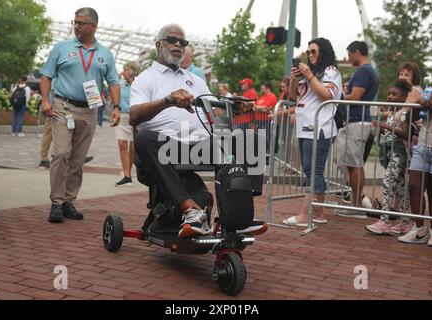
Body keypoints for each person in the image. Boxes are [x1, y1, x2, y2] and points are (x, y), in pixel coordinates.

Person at [129, 23, 267, 239]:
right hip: (166, 147)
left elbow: (216, 103)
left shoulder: (195, 80)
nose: (178, 45)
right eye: (172, 40)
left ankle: (239, 216)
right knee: (144, 138)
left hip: (199, 146)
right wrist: (168, 101)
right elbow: (134, 116)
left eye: (182, 42)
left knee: (250, 140)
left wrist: (235, 106)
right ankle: (190, 210)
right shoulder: (145, 79)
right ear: (158, 45)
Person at [40, 7, 121, 223]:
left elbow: (113, 82)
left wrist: (116, 107)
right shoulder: (62, 48)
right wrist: (46, 100)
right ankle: (56, 203)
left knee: (77, 159)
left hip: (90, 110)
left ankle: (68, 201)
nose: (76, 26)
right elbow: (46, 76)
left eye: (80, 23)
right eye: (74, 22)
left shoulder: (105, 54)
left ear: (93, 26)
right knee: (60, 153)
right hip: (63, 106)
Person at [283, 38, 342, 227]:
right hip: (305, 126)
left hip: (319, 128)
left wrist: (309, 76)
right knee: (312, 170)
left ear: (323, 52)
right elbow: (293, 96)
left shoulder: (331, 71)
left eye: (313, 51)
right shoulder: (312, 73)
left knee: (313, 171)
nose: (310, 55)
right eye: (308, 52)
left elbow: (327, 95)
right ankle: (318, 212)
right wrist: (294, 79)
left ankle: (304, 215)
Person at [334, 41, 379, 218]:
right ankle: (356, 203)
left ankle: (356, 206)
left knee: (354, 164)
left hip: (357, 122)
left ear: (357, 52)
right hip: (358, 122)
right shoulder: (369, 71)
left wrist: (340, 95)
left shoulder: (363, 71)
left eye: (350, 54)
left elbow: (355, 97)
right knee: (353, 163)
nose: (349, 57)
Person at [365, 80, 415, 235]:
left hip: (399, 155)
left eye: (394, 94)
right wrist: (381, 129)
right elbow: (391, 133)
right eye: (389, 94)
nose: (389, 97)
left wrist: (386, 126)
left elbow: (406, 134)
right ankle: (406, 223)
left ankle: (385, 220)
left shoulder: (405, 112)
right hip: (391, 153)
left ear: (403, 97)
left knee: (387, 183)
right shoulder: (393, 113)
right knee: (400, 188)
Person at [398, 87, 432, 246]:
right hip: (422, 147)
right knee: (414, 187)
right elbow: (411, 118)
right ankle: (419, 230)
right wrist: (419, 103)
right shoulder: (429, 91)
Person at [115, 61, 141, 187]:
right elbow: (112, 93)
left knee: (133, 146)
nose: (124, 72)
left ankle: (128, 171)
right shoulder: (120, 83)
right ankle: (127, 175)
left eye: (126, 70)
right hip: (123, 116)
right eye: (124, 69)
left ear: (133, 71)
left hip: (136, 117)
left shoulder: (139, 84)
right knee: (122, 144)